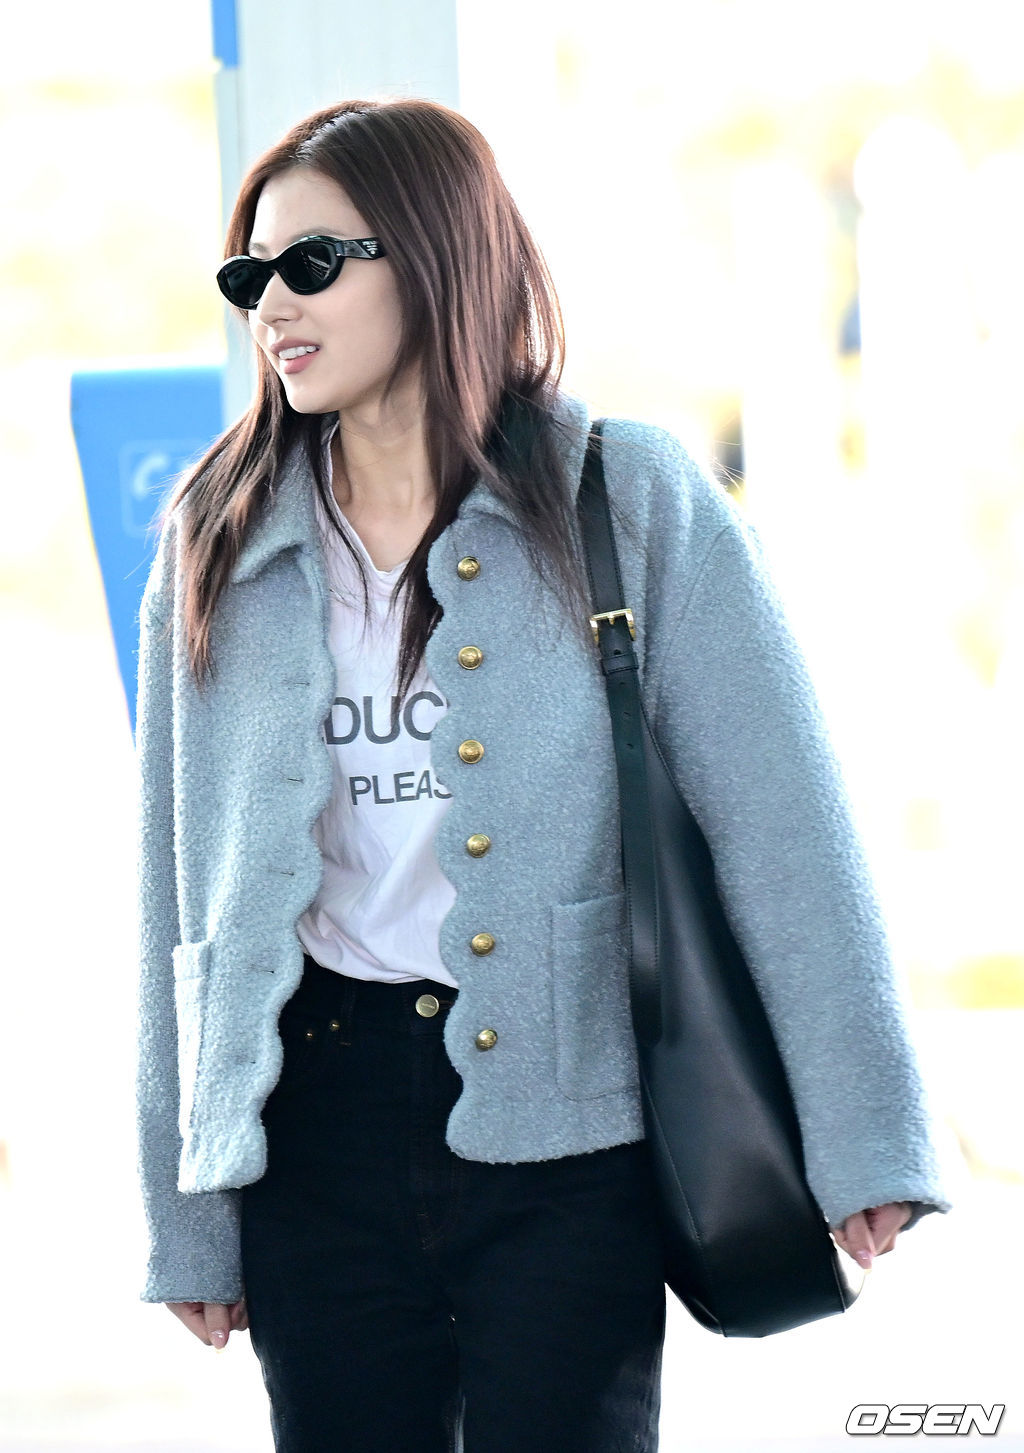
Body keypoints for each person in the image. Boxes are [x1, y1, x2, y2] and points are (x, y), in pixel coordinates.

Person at [133, 97, 950, 1453]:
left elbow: (783, 829)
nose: (273, 305)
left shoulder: (625, 493)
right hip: (313, 1137)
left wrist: (866, 1135)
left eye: (312, 264)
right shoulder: (219, 532)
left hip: (573, 1131)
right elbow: (177, 896)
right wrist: (189, 1210)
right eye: (250, 274)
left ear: (437, 254)